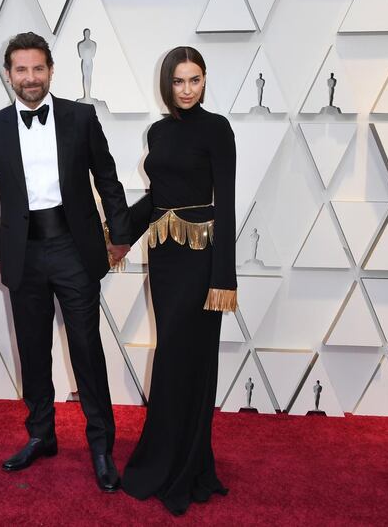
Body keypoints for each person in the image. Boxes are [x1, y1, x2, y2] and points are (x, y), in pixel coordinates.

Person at [0, 32, 131, 492]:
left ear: (51, 71)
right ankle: (41, 435)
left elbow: (108, 179)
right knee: (32, 352)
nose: (30, 78)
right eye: (21, 70)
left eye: (37, 69)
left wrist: (122, 234)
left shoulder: (81, 116)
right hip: (25, 254)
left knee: (86, 351)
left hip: (74, 249)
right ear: (9, 74)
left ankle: (100, 445)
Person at [121, 46, 237, 516]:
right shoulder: (158, 131)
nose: (187, 89)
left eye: (195, 80)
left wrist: (223, 279)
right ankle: (167, 457)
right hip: (165, 256)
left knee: (183, 360)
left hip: (201, 261)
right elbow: (156, 198)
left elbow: (226, 203)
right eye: (178, 81)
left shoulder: (218, 129)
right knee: (171, 354)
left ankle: (185, 465)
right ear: (167, 84)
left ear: (205, 80)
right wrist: (116, 231)